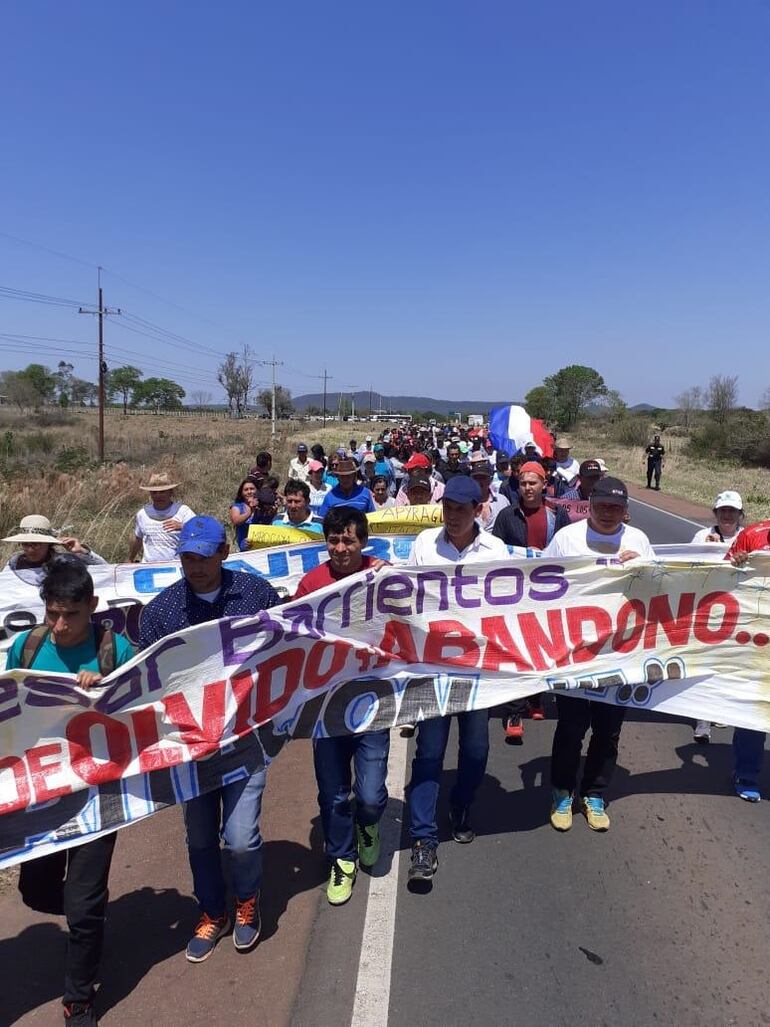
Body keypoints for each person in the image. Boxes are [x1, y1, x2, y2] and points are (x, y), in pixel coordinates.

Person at [138, 516, 281, 961]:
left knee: (240, 838)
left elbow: (282, 654)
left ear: (223, 553)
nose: (195, 566)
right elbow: (146, 680)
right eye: (187, 558)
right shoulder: (160, 612)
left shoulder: (257, 596)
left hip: (244, 738)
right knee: (200, 838)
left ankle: (246, 901)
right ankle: (211, 911)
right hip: (190, 746)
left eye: (203, 557)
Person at [7, 558, 135, 1027]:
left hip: (96, 792)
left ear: (92, 607)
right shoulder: (26, 645)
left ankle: (78, 997)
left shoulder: (114, 650)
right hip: (40, 794)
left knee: (81, 906)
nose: (60, 625)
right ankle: (93, 916)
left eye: (71, 615)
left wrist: (107, 691)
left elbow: (146, 703)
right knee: (36, 894)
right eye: (53, 613)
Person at [406, 476, 510, 883]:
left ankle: (461, 803)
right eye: (447, 507)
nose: (452, 516)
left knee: (477, 750)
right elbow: (407, 593)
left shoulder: (496, 550)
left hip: (479, 669)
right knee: (429, 751)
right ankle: (423, 840)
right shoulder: (424, 544)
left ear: (479, 509)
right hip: (433, 668)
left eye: (461, 509)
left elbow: (518, 601)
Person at [542, 477, 654, 832]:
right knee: (571, 726)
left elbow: (661, 590)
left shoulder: (639, 541)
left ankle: (594, 793)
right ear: (589, 505)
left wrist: (644, 569)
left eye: (616, 508)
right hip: (574, 652)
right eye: (602, 506)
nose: (608, 513)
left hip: (620, 654)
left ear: (626, 511)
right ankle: (562, 791)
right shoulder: (566, 539)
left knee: (608, 730)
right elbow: (538, 586)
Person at [293, 507, 390, 904]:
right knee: (333, 793)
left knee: (369, 794)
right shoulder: (311, 583)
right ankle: (341, 858)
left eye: (349, 540)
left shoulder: (382, 576)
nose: (341, 548)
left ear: (363, 542)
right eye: (333, 540)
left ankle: (368, 824)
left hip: (372, 702)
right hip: (326, 707)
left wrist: (390, 577)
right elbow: (292, 635)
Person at [690, 491, 744, 743]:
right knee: (706, 662)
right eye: (723, 510)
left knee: (729, 664)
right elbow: (687, 566)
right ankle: (702, 719)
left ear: (740, 514)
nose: (727, 515)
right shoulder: (702, 535)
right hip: (707, 607)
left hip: (737, 609)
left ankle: (720, 708)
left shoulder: (748, 537)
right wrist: (706, 549)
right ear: (715, 512)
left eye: (732, 511)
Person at [725, 518, 770, 800]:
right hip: (758, 638)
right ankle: (747, 773)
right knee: (755, 707)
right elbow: (719, 577)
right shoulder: (754, 533)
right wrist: (736, 563)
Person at [3, 515, 106, 586]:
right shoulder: (15, 563)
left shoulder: (65, 561)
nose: (30, 549)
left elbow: (106, 571)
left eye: (36, 544)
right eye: (25, 544)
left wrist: (82, 552)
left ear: (48, 543)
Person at [128, 473, 196, 563]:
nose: (158, 496)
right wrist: (130, 559)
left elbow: (201, 530)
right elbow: (138, 539)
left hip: (176, 566)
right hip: (149, 567)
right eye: (154, 492)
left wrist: (183, 526)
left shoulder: (183, 511)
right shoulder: (142, 514)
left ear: (170, 492)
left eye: (162, 492)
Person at [470, 459, 510, 530]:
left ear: (490, 479)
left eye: (483, 478)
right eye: (476, 478)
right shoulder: (465, 503)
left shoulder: (502, 501)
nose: (479, 481)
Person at [229, 477, 261, 551]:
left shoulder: (262, 505)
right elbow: (235, 520)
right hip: (245, 547)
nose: (249, 492)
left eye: (252, 489)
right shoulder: (237, 506)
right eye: (246, 490)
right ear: (241, 493)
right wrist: (250, 512)